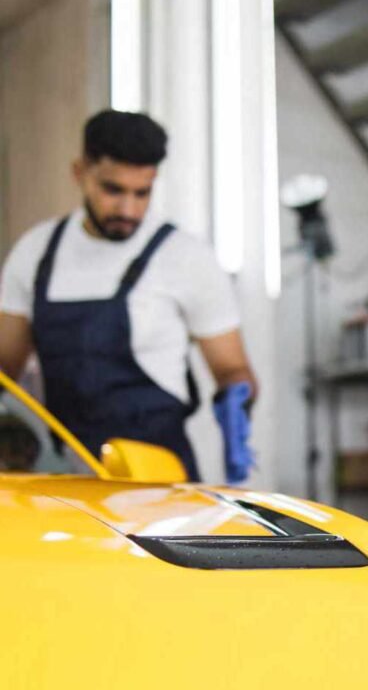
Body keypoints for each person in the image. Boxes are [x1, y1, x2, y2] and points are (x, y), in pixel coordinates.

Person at [0, 110, 257, 480]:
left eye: (142, 193)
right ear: (80, 173)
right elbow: (6, 370)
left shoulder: (186, 258)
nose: (128, 209)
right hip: (65, 479)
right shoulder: (36, 253)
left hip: (160, 479)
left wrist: (237, 406)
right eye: (113, 190)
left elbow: (232, 367)